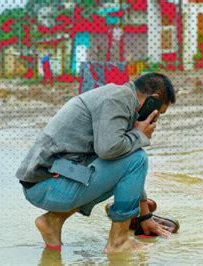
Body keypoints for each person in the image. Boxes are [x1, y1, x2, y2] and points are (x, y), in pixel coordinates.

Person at [16, 73, 176, 253]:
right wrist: (139, 134)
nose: (156, 119)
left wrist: (145, 214)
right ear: (152, 100)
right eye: (159, 112)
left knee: (131, 159)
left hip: (47, 182)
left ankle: (53, 221)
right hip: (48, 185)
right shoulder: (120, 99)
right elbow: (111, 152)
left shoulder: (119, 98)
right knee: (138, 158)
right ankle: (119, 241)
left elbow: (123, 167)